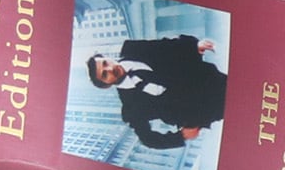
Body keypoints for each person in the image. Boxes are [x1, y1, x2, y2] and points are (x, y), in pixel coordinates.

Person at [85, 36, 226, 150]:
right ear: (105, 85)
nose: (109, 69)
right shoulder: (130, 108)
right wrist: (179, 137)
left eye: (105, 63)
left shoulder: (133, 49)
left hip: (208, 78)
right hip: (206, 110)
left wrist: (194, 46)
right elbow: (147, 139)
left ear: (107, 58)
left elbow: (165, 46)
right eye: (104, 74)